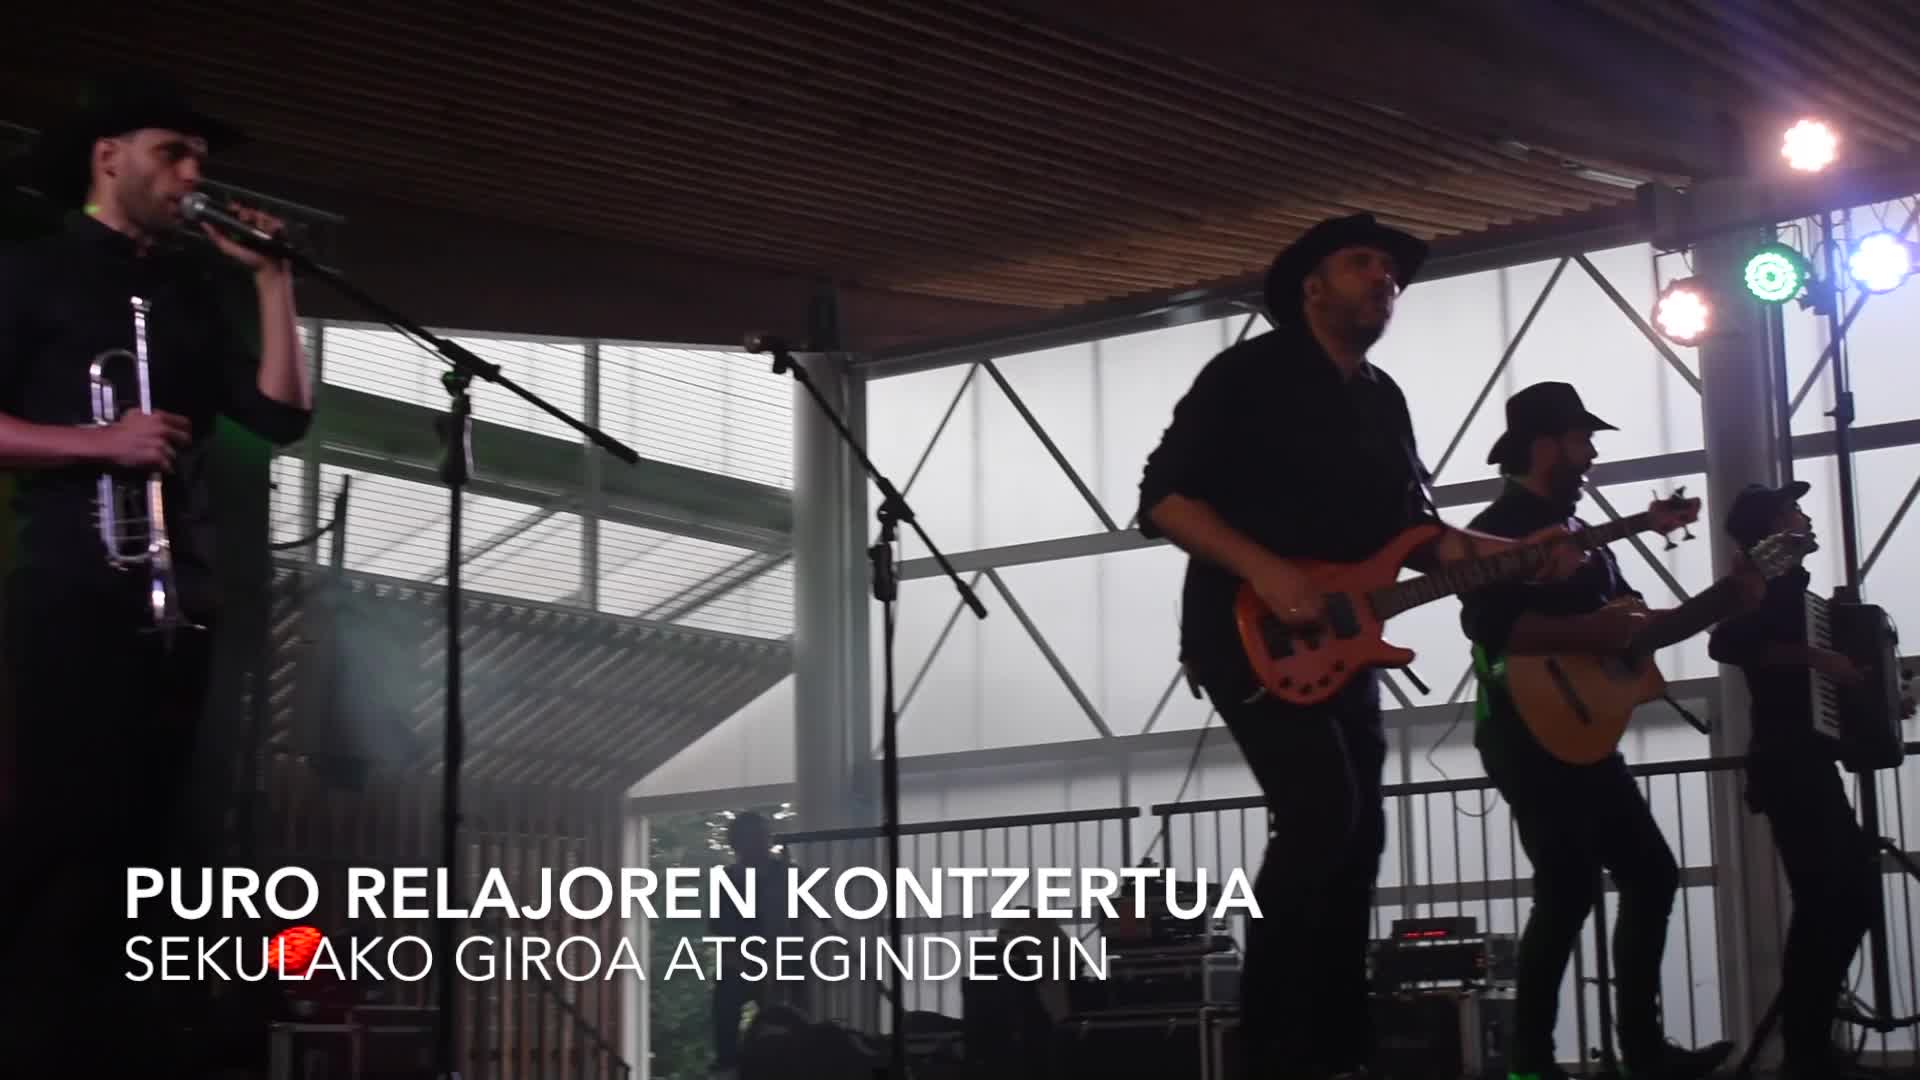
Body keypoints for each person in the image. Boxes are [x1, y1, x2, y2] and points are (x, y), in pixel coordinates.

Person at [1136, 214, 1583, 1079]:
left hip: (1344, 640)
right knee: (1320, 812)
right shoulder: (1247, 374)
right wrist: (1267, 571)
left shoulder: (1383, 399)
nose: (1385, 278)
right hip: (1247, 631)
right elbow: (1165, 499)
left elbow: (1415, 532)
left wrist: (1519, 552)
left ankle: (1339, 1049)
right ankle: (1274, 1051)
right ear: (1311, 287)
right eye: (1363, 263)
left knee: (1360, 831)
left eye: (1392, 271)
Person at [0, 73, 313, 1071]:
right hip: (70, 582)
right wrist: (98, 443)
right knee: (59, 824)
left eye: (198, 162)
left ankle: (114, 1040)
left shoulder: (189, 292)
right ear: (109, 156)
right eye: (172, 155)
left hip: (178, 599)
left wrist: (271, 282)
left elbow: (280, 416)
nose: (190, 178)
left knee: (156, 838)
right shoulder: (27, 273)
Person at [1458, 382, 1755, 1080]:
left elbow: (1628, 635)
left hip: (1580, 735)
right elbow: (1494, 629)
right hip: (1527, 732)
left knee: (1648, 874)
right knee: (1569, 890)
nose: (1591, 454)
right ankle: (1532, 1061)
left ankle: (1640, 1053)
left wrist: (1724, 599)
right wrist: (1602, 632)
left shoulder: (1585, 537)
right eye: (1581, 440)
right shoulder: (1494, 531)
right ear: (1546, 446)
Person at [1707, 482, 1904, 1080]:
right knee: (1832, 900)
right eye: (1792, 510)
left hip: (1808, 763)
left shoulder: (1797, 593)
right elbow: (1727, 643)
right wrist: (1819, 660)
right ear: (1773, 529)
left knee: (1843, 899)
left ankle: (1809, 1044)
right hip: (1788, 764)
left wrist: (1878, 698)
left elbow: (1813, 688)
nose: (1805, 516)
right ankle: (1806, 1049)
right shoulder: (1762, 583)